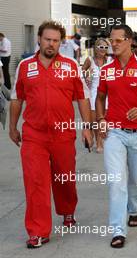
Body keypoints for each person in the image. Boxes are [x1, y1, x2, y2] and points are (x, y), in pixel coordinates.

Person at [9, 20, 93, 249]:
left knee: (64, 177)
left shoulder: (71, 66)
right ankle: (38, 231)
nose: (51, 44)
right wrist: (13, 126)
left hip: (63, 135)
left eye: (56, 41)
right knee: (36, 182)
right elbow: (17, 98)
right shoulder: (25, 66)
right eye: (47, 39)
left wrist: (87, 126)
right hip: (34, 135)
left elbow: (83, 97)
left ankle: (67, 211)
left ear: (60, 43)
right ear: (39, 39)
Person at [96, 24, 137, 248]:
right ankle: (117, 230)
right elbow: (100, 98)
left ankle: (134, 210)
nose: (112, 44)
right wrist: (101, 119)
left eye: (117, 40)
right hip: (114, 133)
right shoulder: (106, 70)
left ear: (130, 41)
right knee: (117, 182)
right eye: (110, 40)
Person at [82, 38, 111, 153]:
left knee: (103, 119)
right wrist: (86, 77)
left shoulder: (110, 60)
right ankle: (96, 141)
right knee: (95, 121)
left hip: (107, 94)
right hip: (93, 93)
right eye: (100, 47)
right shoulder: (90, 60)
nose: (103, 49)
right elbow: (82, 71)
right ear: (96, 47)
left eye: (105, 47)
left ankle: (100, 143)